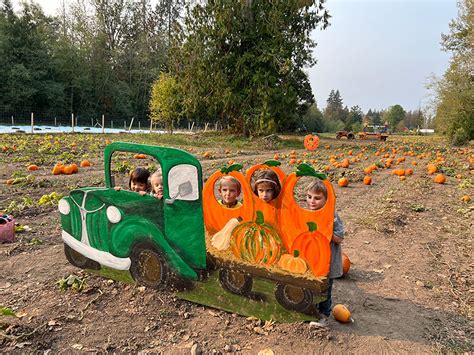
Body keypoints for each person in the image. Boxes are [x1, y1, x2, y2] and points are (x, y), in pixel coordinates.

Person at [306, 179, 345, 322]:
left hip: (327, 260)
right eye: (309, 197)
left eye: (317, 198)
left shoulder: (332, 216)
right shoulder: (306, 214)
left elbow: (339, 238)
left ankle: (324, 312)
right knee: (311, 286)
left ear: (326, 199)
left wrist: (325, 230)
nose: (312, 201)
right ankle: (311, 310)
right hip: (312, 259)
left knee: (325, 288)